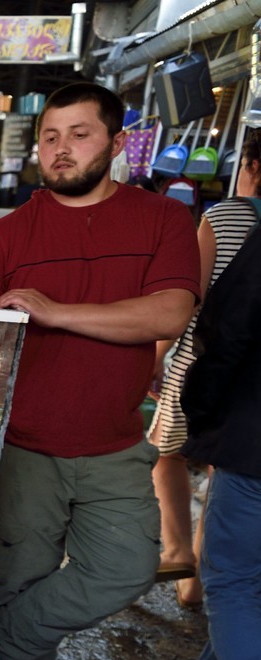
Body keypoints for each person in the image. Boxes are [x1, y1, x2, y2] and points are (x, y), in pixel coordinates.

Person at [0, 82, 200, 660]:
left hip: (115, 446)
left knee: (125, 568)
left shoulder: (162, 220)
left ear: (116, 143)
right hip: (25, 445)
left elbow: (169, 312)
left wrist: (55, 313)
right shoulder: (8, 235)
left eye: (80, 135)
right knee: (21, 578)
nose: (61, 149)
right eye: (51, 137)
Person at [148, 130, 261, 610]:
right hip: (252, 384)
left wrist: (154, 357)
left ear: (251, 167)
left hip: (205, 363)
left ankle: (181, 558)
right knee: (227, 471)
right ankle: (206, 572)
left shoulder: (226, 215)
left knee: (166, 454)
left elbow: (186, 299)